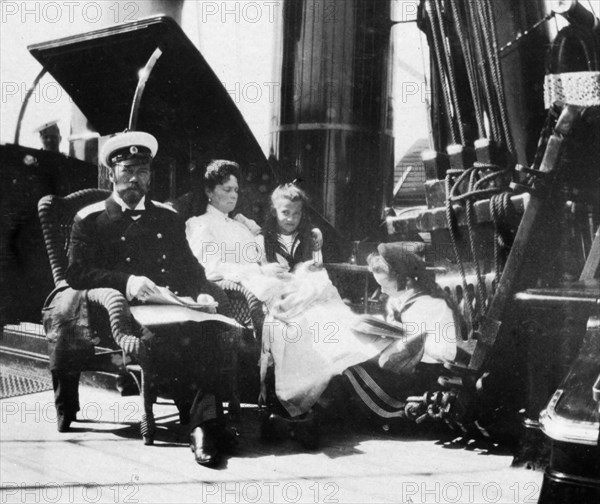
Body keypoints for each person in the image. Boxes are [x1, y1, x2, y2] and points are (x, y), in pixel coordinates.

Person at [62, 130, 233, 467]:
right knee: (170, 339)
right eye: (126, 171)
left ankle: (203, 425)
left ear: (150, 177)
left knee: (210, 329)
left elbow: (189, 266)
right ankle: (203, 426)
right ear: (112, 174)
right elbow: (76, 274)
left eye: (141, 172)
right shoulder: (90, 219)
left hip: (170, 306)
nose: (133, 180)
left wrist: (200, 290)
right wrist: (126, 281)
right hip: (121, 312)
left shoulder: (168, 218)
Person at [338, 242, 460, 421]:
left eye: (385, 284)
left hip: (423, 376)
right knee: (344, 362)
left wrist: (416, 340)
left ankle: (397, 414)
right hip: (398, 368)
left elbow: (448, 352)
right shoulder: (396, 302)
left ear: (406, 280)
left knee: (352, 370)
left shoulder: (434, 306)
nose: (382, 290)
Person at [262, 183, 323, 269]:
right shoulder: (266, 238)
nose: (290, 219)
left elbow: (318, 264)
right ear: (274, 212)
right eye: (285, 212)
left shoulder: (308, 235)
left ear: (301, 213)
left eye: (296, 213)